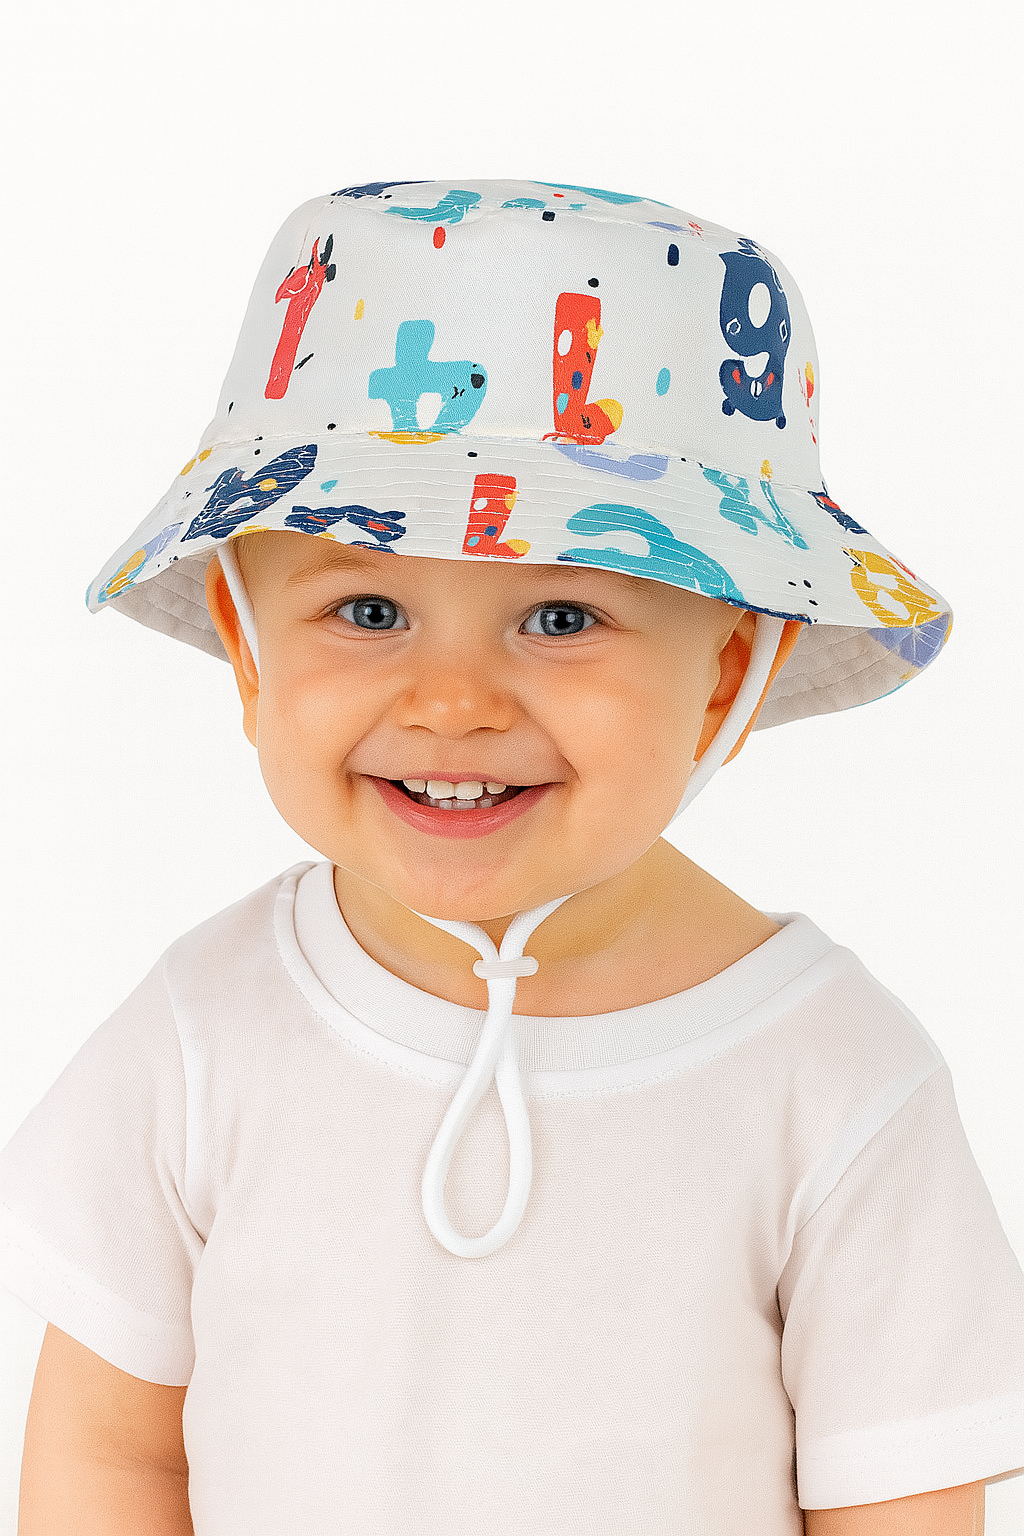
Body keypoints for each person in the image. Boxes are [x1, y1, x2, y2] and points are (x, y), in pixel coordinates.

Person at [1, 178, 1020, 1536]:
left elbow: (902, 1506)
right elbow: (112, 1457)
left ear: (724, 676)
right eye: (369, 608)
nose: (452, 703)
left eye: (560, 615)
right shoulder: (201, 1034)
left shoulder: (834, 1084)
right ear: (248, 649)